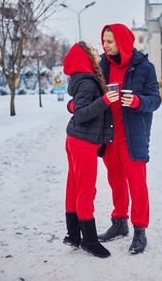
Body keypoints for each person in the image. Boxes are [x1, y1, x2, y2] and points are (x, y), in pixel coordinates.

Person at [98, 23, 161, 254]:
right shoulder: (102, 66)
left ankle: (140, 231)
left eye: (110, 41)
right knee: (116, 182)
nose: (105, 45)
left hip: (132, 137)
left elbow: (155, 100)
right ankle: (119, 223)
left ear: (123, 42)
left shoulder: (145, 67)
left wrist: (136, 102)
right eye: (104, 41)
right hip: (109, 136)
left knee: (137, 185)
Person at [62, 41, 119, 258]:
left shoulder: (86, 79)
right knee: (86, 190)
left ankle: (74, 235)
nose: (98, 51)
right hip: (82, 143)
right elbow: (81, 113)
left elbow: (76, 108)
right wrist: (105, 100)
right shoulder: (87, 83)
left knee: (74, 187)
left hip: (77, 140)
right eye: (94, 50)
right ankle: (90, 240)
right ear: (85, 57)